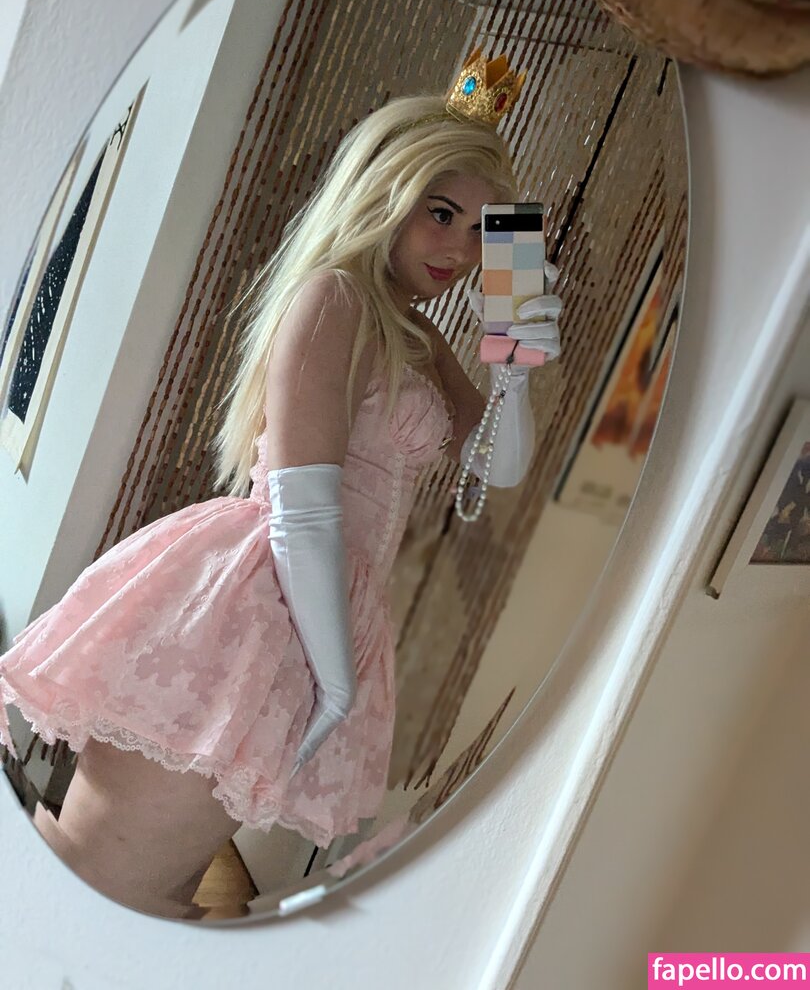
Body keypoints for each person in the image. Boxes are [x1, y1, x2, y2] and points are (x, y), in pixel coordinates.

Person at [0, 48, 563, 916]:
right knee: (106, 883)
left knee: (157, 897)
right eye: (440, 212)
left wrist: (513, 364)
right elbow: (303, 509)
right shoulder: (336, 298)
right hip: (256, 606)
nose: (459, 247)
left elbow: (498, 463)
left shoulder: (419, 339)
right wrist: (335, 683)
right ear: (384, 192)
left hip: (309, 619)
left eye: (483, 229)